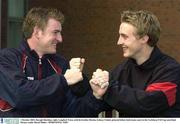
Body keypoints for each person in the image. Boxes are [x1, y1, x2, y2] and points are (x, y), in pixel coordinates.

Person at [0, 7, 101, 117]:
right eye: (55, 32)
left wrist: (95, 96)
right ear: (37, 32)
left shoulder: (61, 64)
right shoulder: (7, 58)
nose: (60, 39)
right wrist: (63, 80)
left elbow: (73, 113)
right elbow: (20, 95)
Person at [90, 10, 180, 117]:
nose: (119, 42)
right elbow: (96, 101)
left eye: (124, 36)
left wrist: (108, 90)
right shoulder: (122, 70)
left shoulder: (170, 70)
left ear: (144, 38)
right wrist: (84, 83)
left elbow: (147, 104)